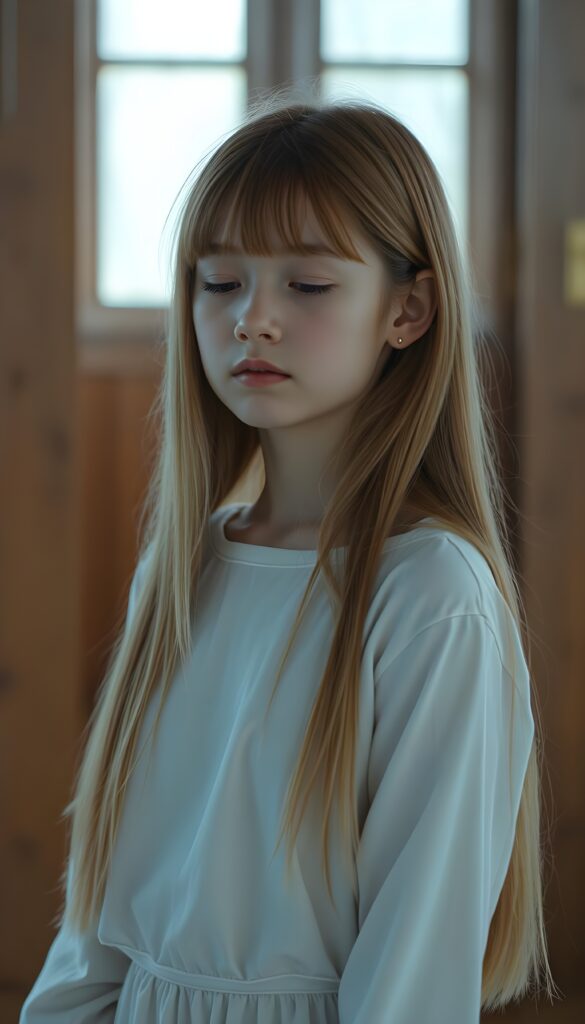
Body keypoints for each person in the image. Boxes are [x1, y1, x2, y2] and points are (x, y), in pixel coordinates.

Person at [20, 90, 557, 1023]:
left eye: (306, 286)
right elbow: (95, 931)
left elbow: (411, 980)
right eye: (219, 282)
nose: (250, 320)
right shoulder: (183, 570)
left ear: (409, 310)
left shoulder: (430, 596)